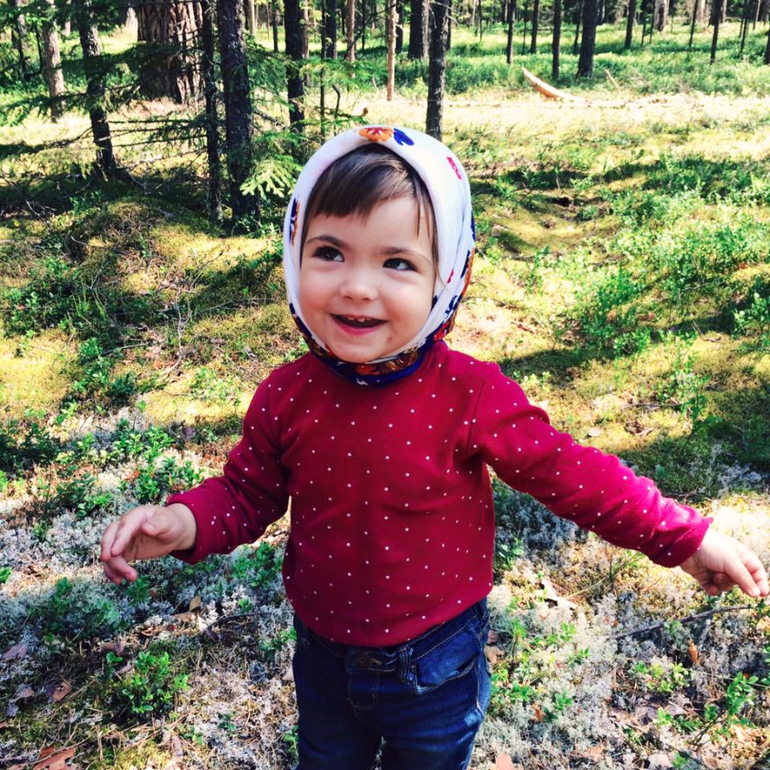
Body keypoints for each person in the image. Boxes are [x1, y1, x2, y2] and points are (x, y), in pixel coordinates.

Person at [100, 126, 769, 770]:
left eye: (397, 263)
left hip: (438, 662)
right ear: (294, 251)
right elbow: (248, 493)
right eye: (329, 252)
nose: (357, 286)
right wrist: (183, 522)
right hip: (324, 657)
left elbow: (573, 474)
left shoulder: (469, 395)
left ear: (446, 276)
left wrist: (682, 537)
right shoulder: (286, 395)